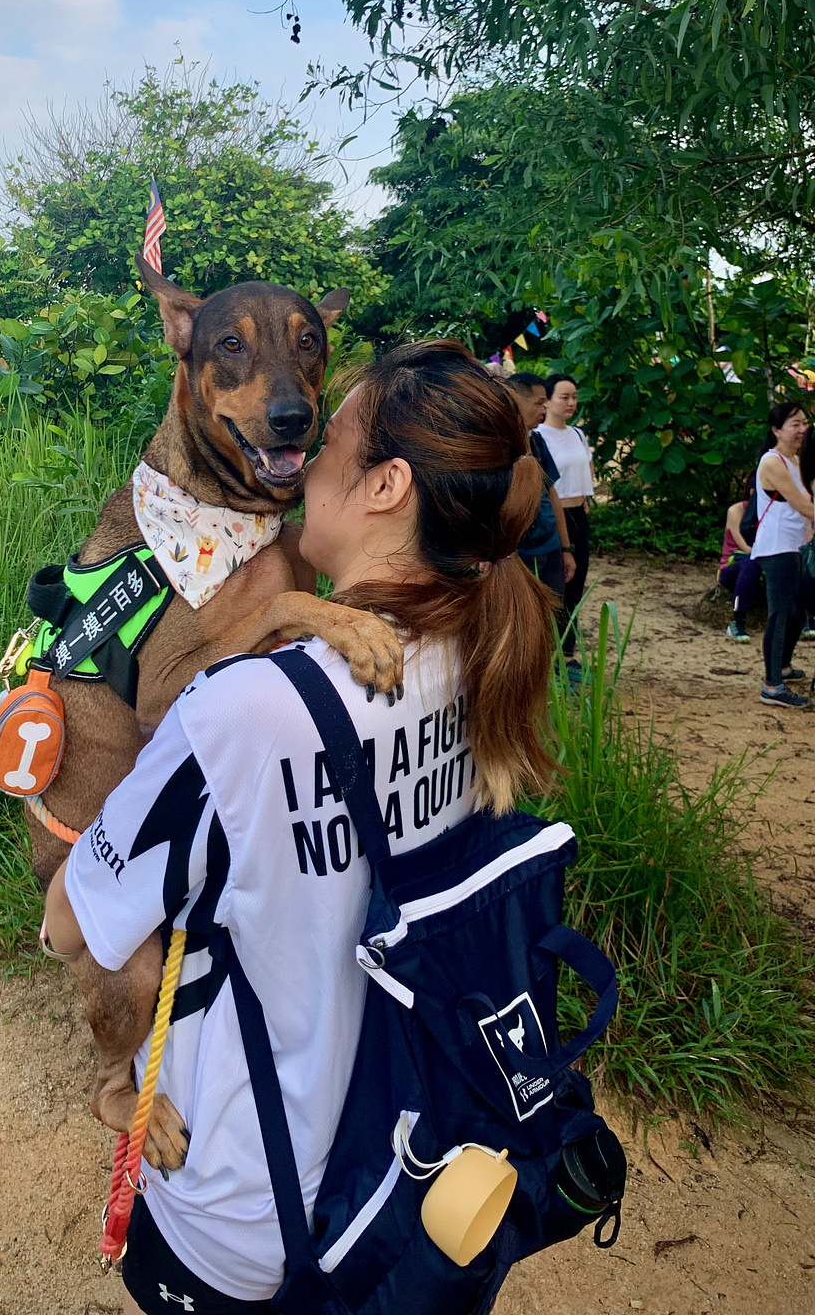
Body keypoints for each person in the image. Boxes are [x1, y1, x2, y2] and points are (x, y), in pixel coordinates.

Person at [44, 341, 556, 1313]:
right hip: (421, 1160)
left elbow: (72, 923)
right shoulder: (479, 650)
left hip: (249, 1204)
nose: (305, 454)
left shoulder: (248, 710)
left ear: (385, 485)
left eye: (331, 441)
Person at [750, 400, 813, 709]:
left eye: (805, 422)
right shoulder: (772, 462)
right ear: (776, 430)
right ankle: (772, 685)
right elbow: (803, 506)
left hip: (795, 544)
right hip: (777, 547)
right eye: (795, 424)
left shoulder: (797, 461)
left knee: (797, 610)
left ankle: (784, 667)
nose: (803, 429)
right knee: (779, 612)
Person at [537, 374, 595, 674]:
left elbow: (586, 468)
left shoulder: (578, 434)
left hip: (578, 516)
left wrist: (585, 498)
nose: (571, 402)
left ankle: (568, 655)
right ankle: (547, 658)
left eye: (574, 397)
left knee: (576, 587)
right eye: (564, 397)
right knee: (555, 587)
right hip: (552, 518)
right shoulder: (538, 436)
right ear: (546, 401)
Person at [506, 372, 576, 608]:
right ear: (515, 400)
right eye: (538, 402)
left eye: (546, 401)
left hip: (550, 545)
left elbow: (551, 494)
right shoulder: (497, 446)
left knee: (552, 617)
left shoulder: (536, 441)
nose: (544, 408)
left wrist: (565, 548)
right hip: (515, 553)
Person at [718, 483, 759, 643]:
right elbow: (745, 547)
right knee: (751, 565)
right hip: (734, 565)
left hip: (762, 565)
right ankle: (738, 621)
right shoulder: (736, 511)